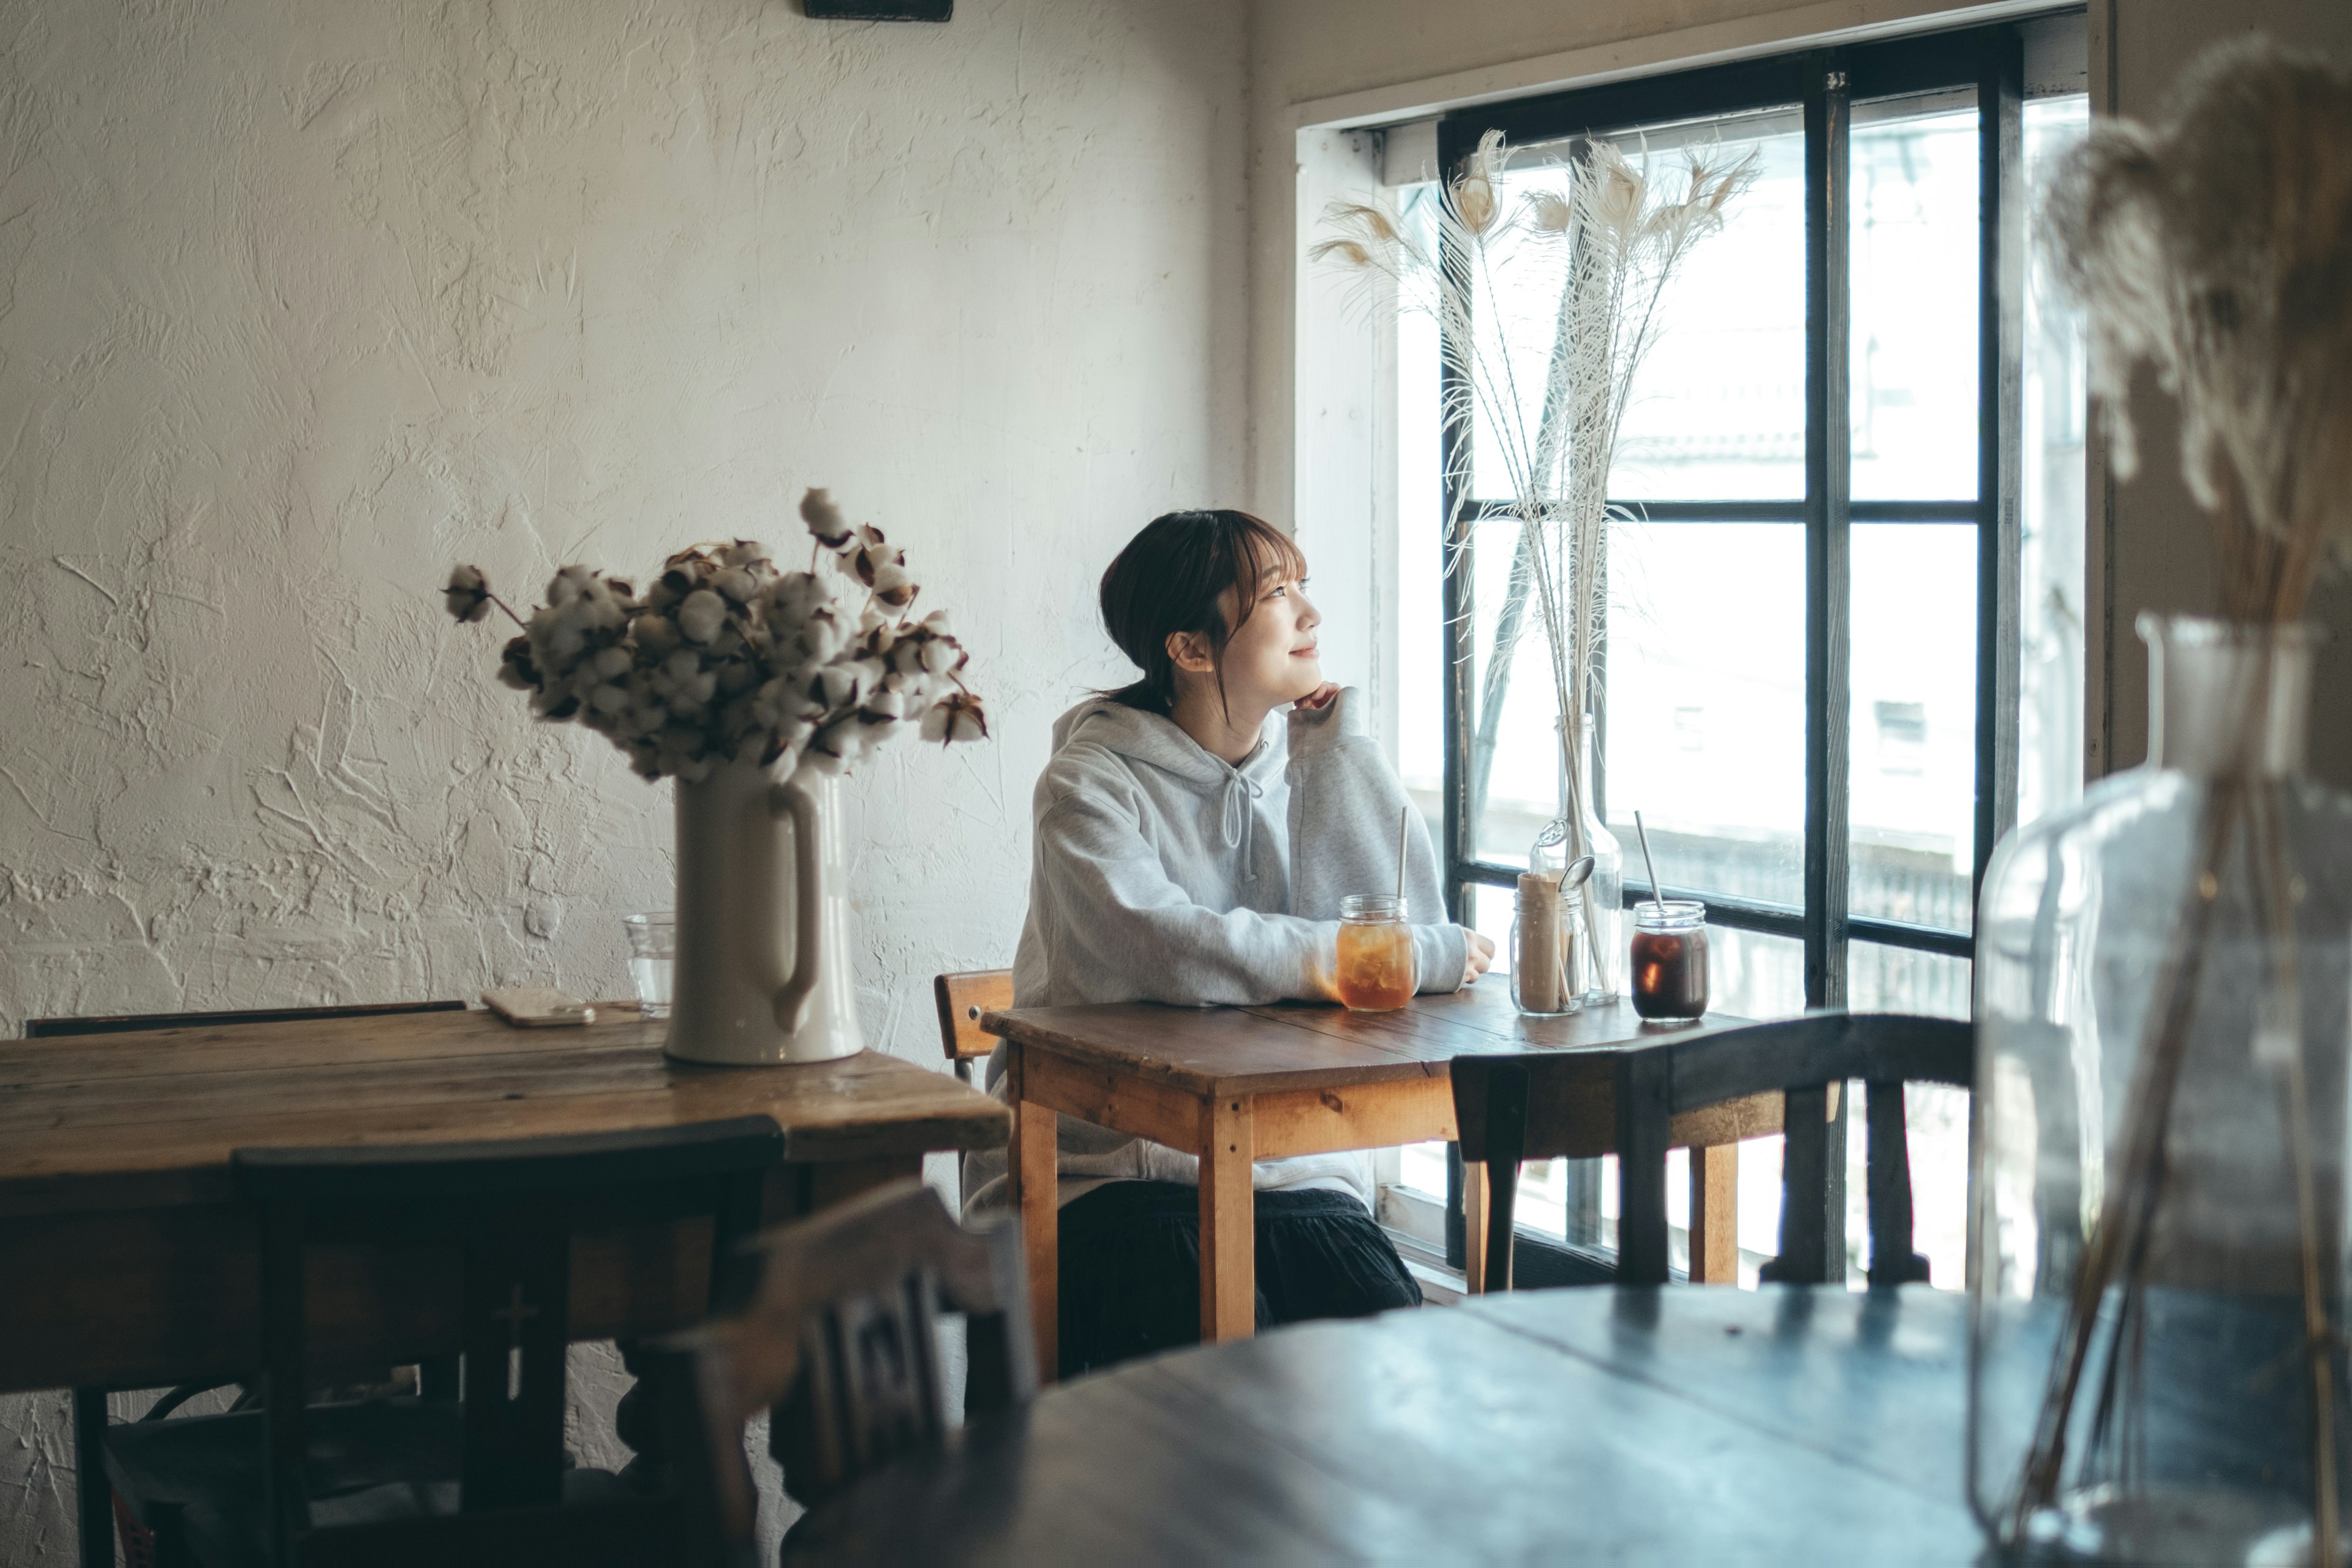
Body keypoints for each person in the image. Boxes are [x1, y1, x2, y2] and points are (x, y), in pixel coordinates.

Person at [963, 508, 1496, 1377]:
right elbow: (1173, 948)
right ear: (1191, 648)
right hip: (1113, 1186)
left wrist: (1334, 750)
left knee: (1398, 1387)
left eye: (1302, 588)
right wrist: (1394, 959)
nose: (1310, 616)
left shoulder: (1308, 768)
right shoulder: (1087, 785)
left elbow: (1405, 935)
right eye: (1278, 595)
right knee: (1219, 1392)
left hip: (1299, 1183)